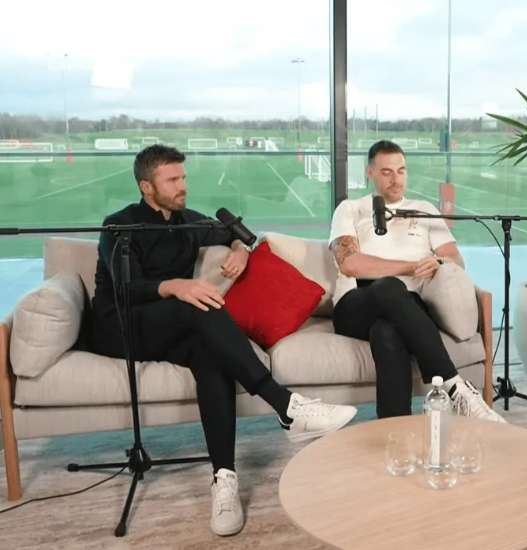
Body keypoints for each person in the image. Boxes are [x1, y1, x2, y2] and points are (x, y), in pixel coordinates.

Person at [92, 145, 357, 536]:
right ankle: (285, 406)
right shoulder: (119, 226)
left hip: (168, 328)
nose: (183, 186)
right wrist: (176, 286)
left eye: (183, 177)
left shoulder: (187, 222)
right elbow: (125, 289)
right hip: (119, 327)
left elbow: (237, 232)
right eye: (173, 179)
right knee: (198, 303)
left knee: (211, 357)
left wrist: (240, 250)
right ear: (147, 186)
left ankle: (224, 478)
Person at [329, 140, 505, 422]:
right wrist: (410, 267)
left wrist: (438, 262)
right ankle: (454, 386)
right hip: (356, 304)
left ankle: (396, 429)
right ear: (369, 173)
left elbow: (455, 259)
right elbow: (349, 263)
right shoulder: (351, 209)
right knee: (390, 286)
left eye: (401, 170)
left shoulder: (423, 209)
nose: (396, 179)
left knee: (386, 332)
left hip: (408, 306)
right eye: (386, 172)